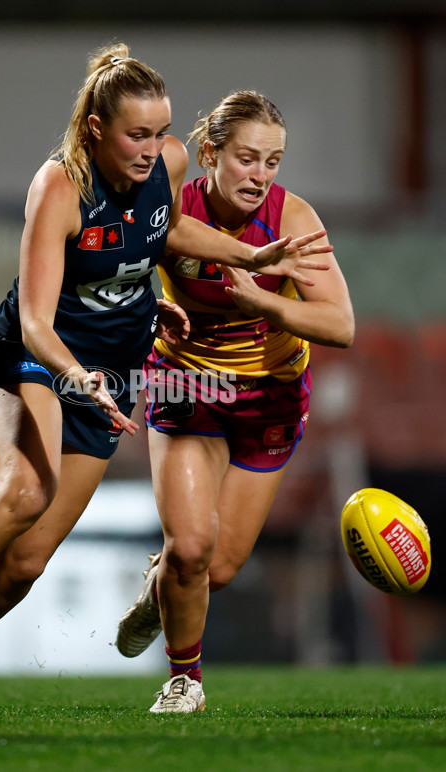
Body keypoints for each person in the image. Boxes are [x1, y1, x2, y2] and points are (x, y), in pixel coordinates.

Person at [0, 50, 331, 716]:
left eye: (161, 130)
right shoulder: (58, 188)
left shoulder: (166, 162)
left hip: (107, 377)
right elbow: (36, 319)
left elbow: (165, 230)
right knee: (26, 490)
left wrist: (244, 258)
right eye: (137, 133)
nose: (154, 148)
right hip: (34, 360)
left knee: (24, 566)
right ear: (95, 129)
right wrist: (80, 374)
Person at [116, 90, 355, 713]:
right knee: (191, 549)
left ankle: (156, 590)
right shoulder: (168, 208)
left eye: (272, 162)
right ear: (209, 154)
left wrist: (267, 304)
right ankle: (185, 682)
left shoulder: (294, 218)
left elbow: (340, 325)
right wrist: (147, 316)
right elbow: (116, 271)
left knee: (214, 570)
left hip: (269, 398)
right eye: (247, 159)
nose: (260, 175)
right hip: (187, 384)